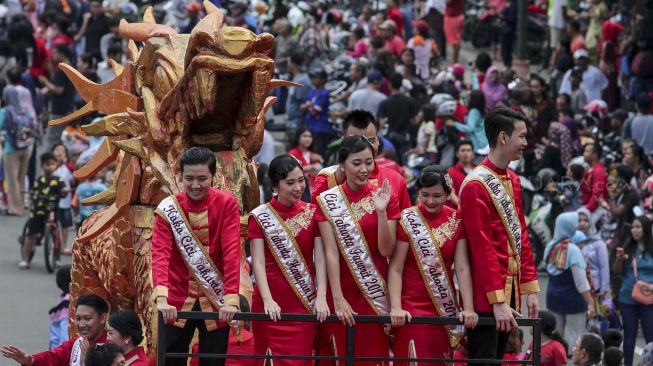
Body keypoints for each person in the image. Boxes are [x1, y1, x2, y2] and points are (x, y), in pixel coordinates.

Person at [459, 107, 540, 365]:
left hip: (510, 293)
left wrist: (530, 288)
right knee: (484, 359)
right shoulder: (475, 185)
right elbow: (481, 248)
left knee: (499, 358)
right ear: (503, 138)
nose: (525, 143)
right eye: (522, 136)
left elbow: (521, 235)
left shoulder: (513, 180)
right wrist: (497, 301)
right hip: (487, 299)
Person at [152, 147, 241, 366]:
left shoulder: (227, 204)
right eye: (189, 178)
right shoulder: (169, 208)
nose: (195, 185)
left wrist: (231, 301)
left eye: (202, 179)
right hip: (177, 299)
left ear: (213, 176)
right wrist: (162, 299)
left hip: (216, 299)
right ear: (180, 175)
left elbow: (232, 253)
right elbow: (160, 253)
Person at [316, 136, 400, 365]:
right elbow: (330, 252)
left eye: (369, 162)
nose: (364, 169)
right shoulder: (326, 201)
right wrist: (338, 298)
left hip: (375, 293)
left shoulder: (384, 196)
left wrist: (381, 212)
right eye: (356, 163)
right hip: (341, 291)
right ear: (342, 165)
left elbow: (386, 249)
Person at [389, 165, 478, 365]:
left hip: (443, 307)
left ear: (448, 194)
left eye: (437, 195)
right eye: (424, 195)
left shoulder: (456, 220)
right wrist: (395, 306)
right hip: (410, 307)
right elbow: (395, 268)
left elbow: (462, 268)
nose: (430, 201)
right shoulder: (406, 218)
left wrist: (469, 308)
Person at [249, 155, 329, 364]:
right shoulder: (260, 216)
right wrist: (267, 299)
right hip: (270, 302)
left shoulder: (312, 213)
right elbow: (257, 263)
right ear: (275, 185)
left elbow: (320, 258)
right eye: (290, 182)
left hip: (303, 302)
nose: (298, 187)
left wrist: (321, 296)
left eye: (301, 180)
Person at [311, 110, 411, 211]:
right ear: (343, 143)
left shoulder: (396, 179)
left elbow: (404, 224)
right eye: (356, 141)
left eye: (371, 141)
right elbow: (316, 210)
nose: (365, 148)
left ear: (378, 141)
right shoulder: (326, 177)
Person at [1, 294, 109, 365]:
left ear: (103, 318)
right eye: (78, 319)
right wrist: (31, 361)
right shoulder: (75, 343)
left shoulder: (112, 347)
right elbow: (53, 357)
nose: (81, 324)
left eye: (87, 318)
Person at [544, 212, 596, 349]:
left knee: (555, 337)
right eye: (576, 222)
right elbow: (581, 283)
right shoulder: (573, 250)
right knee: (576, 338)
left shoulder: (550, 246)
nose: (578, 224)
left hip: (553, 297)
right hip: (573, 300)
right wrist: (590, 303)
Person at [613, 216, 653, 366]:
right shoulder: (628, 247)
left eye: (638, 227)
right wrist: (618, 259)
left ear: (646, 228)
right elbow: (616, 271)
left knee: (650, 335)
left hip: (649, 297)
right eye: (633, 227)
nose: (635, 230)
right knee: (629, 335)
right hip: (628, 297)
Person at [19, 153, 66, 269]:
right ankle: (25, 259)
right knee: (31, 235)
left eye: (52, 164)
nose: (49, 167)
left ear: (56, 166)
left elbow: (63, 190)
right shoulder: (39, 180)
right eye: (47, 164)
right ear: (42, 166)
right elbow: (33, 191)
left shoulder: (59, 180)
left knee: (56, 233)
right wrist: (32, 194)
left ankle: (57, 257)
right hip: (38, 210)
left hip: (53, 209)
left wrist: (65, 191)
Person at [1, 76, 37, 216]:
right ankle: (22, 204)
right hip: (25, 147)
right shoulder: (24, 109)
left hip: (11, 148)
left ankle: (14, 208)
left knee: (12, 178)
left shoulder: (6, 111)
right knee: (22, 176)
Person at [39, 44, 75, 151]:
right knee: (62, 138)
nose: (52, 55)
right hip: (68, 107)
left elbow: (59, 90)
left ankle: (50, 160)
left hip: (59, 110)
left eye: (54, 52)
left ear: (61, 54)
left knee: (52, 139)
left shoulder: (61, 70)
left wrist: (45, 82)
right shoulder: (71, 67)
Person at [378, 73, 419, 163]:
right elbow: (415, 121)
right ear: (401, 84)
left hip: (389, 139)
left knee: (391, 163)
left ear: (390, 85)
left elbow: (381, 123)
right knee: (405, 163)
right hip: (405, 138)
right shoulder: (410, 101)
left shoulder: (384, 103)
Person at [577, 208, 610, 298]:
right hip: (575, 288)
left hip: (594, 288)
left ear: (591, 223)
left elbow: (604, 267)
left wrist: (604, 289)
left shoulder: (598, 243)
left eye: (586, 220)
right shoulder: (571, 241)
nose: (582, 223)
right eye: (579, 220)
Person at [301, 69, 331, 158]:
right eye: (312, 77)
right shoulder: (312, 91)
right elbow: (301, 108)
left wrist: (308, 106)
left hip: (320, 129)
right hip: (310, 126)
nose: (313, 79)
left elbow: (314, 112)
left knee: (319, 155)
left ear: (322, 80)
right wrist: (309, 106)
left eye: (315, 77)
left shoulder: (324, 93)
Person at [52, 144, 74, 255]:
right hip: (52, 200)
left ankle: (64, 245)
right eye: (57, 150)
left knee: (65, 225)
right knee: (52, 223)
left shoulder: (68, 167)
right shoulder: (50, 166)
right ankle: (54, 243)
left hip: (65, 202)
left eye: (62, 151)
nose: (59, 152)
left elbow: (74, 179)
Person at [580, 143, 608, 225]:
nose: (583, 154)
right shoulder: (589, 169)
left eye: (587, 151)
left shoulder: (599, 171)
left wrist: (587, 211)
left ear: (594, 155)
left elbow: (597, 194)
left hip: (596, 209)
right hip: (588, 206)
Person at [286, 53, 312, 129]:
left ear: (293, 64)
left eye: (289, 62)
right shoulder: (295, 78)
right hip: (292, 120)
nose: (287, 64)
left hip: (298, 123)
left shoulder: (302, 81)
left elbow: (304, 103)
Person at [49, 265, 72, 350]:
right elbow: (65, 332)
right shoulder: (68, 300)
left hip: (57, 348)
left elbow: (64, 331)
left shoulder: (65, 299)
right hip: (59, 349)